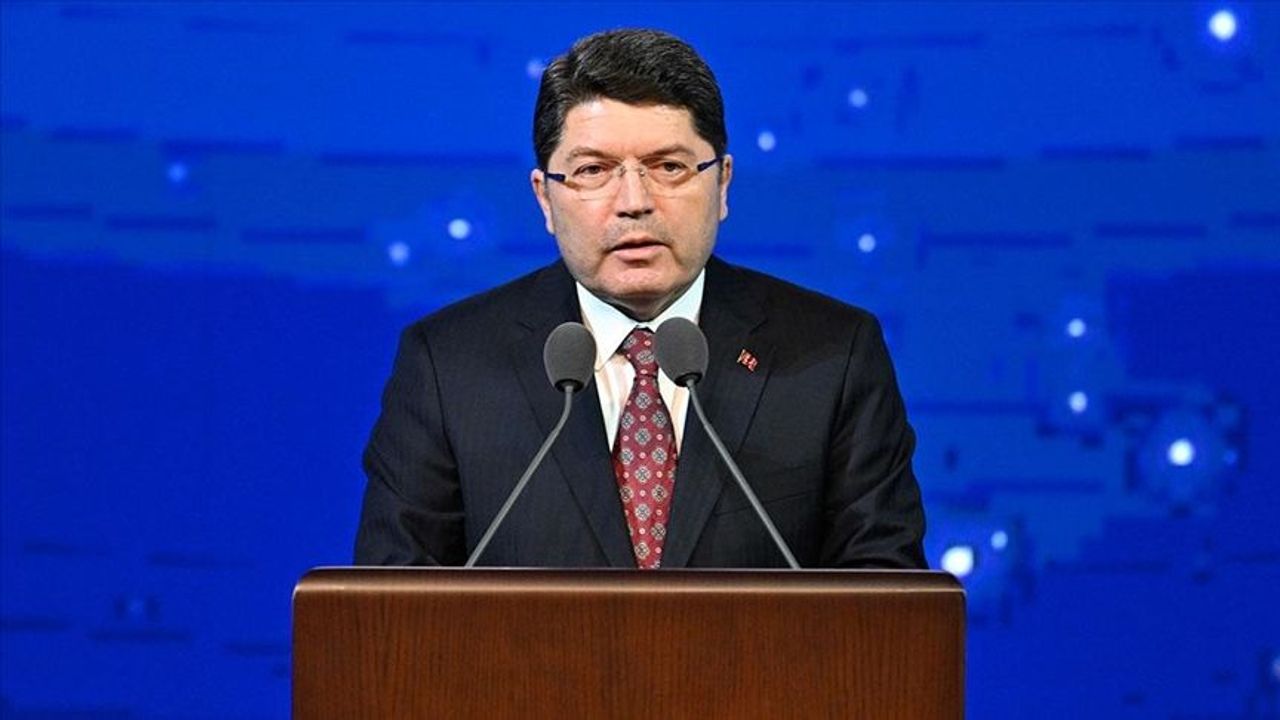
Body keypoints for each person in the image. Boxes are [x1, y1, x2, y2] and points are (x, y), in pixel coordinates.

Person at [354, 28, 926, 569]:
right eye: (593, 170)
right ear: (545, 199)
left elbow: (885, 606)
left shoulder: (834, 355)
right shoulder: (447, 365)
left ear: (722, 183)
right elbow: (393, 610)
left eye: (669, 167)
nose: (634, 201)